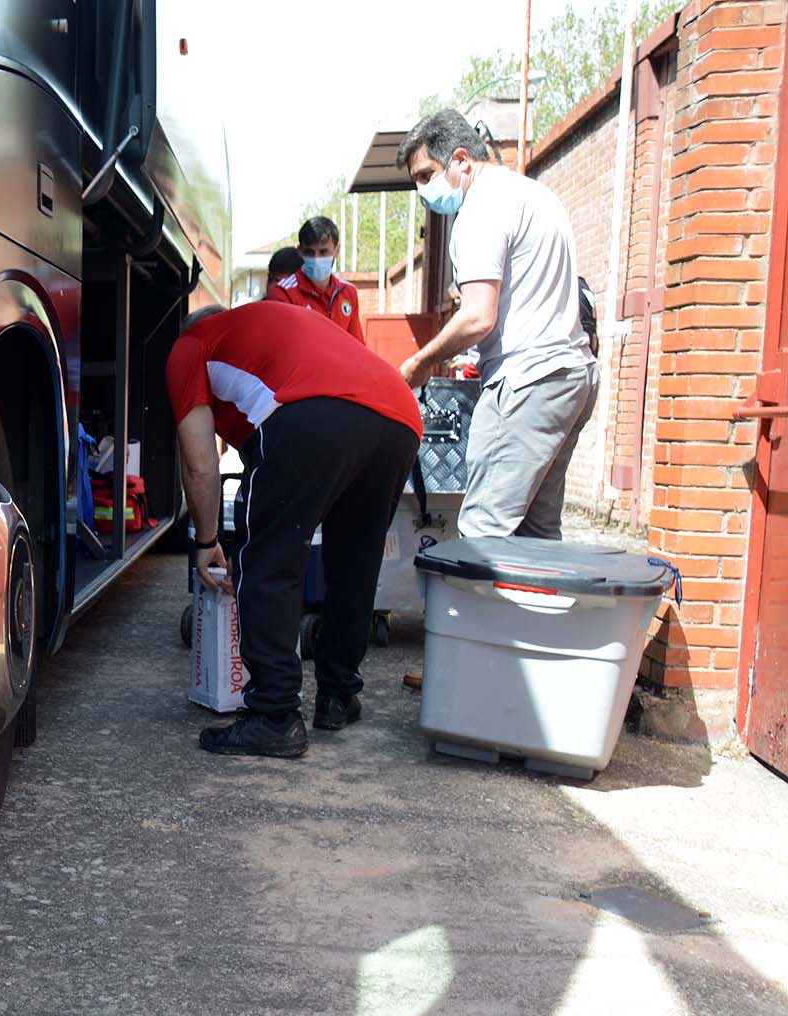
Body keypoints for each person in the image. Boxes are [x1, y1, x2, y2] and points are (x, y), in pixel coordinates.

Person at [170, 303, 421, 758]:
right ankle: (338, 696)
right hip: (399, 415)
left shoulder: (191, 345)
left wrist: (206, 540)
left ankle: (275, 715)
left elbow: (199, 463)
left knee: (268, 555)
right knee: (354, 560)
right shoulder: (273, 328)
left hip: (314, 410)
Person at [395, 108, 596, 540]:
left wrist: (420, 363)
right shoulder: (534, 194)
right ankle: (528, 610)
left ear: (462, 160)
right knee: (535, 535)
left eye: (427, 174)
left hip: (526, 382)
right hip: (571, 375)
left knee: (483, 534)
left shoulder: (480, 209)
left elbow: (476, 317)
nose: (423, 190)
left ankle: (471, 612)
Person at [266, 216, 365, 341]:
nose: (316, 259)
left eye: (323, 252)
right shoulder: (283, 294)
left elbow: (356, 347)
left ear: (337, 250)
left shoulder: (348, 293)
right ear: (299, 251)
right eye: (309, 252)